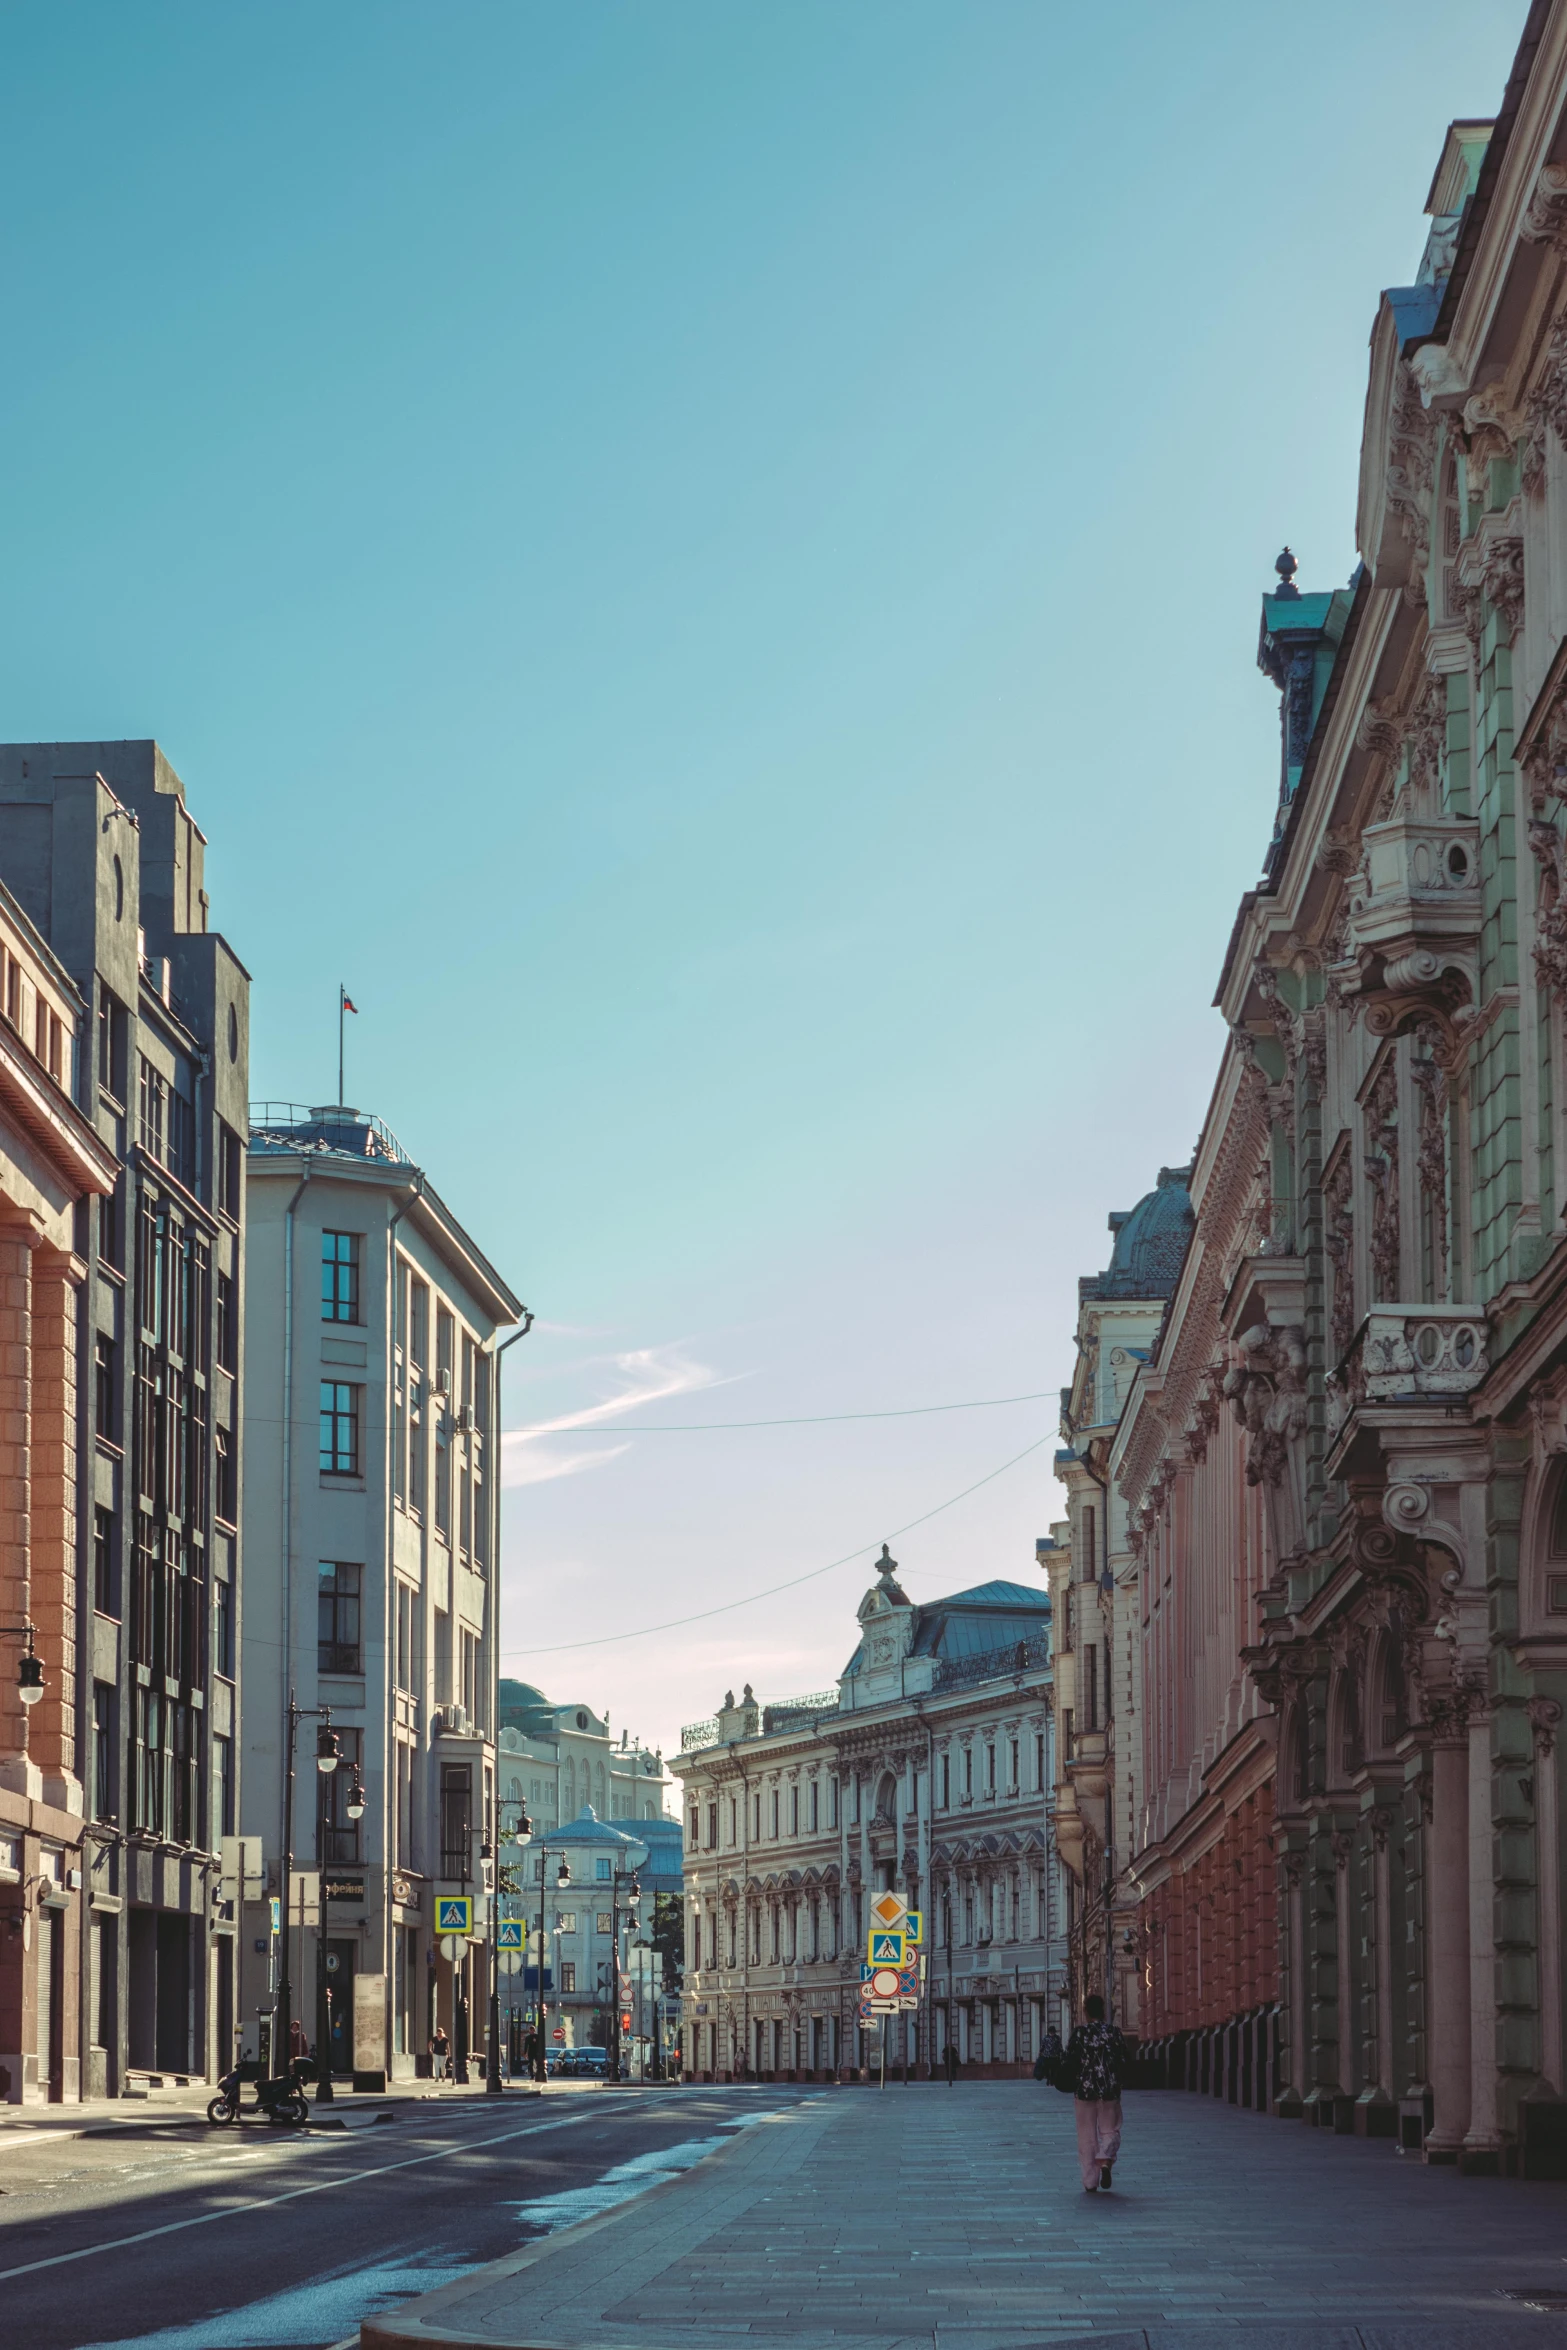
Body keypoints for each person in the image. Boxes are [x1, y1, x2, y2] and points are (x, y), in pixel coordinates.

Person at [1063, 1995, 1126, 2192]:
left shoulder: (1080, 2033)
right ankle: (1105, 2158)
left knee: (1086, 2135)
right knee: (1110, 2130)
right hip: (1109, 2090)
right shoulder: (1113, 2033)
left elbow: (1069, 2059)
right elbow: (1124, 2058)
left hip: (1084, 2090)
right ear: (1104, 2011)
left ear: (1086, 2011)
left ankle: (1090, 2181)